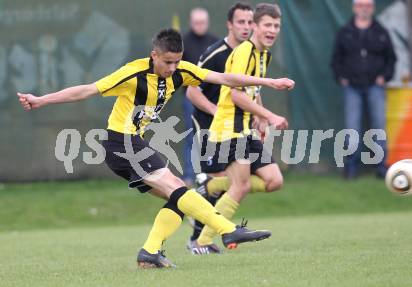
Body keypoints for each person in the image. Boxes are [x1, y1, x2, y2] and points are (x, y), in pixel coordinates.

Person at [17, 28, 294, 268]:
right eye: (167, 62)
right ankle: (228, 230)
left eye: (176, 62)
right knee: (178, 187)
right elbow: (85, 90)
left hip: (134, 144)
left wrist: (268, 81)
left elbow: (224, 78)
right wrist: (41, 100)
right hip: (121, 143)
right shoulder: (132, 72)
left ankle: (149, 252)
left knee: (179, 199)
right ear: (154, 55)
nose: (172, 68)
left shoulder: (182, 71)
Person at [188, 3, 291, 252]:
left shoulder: (263, 54)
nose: (272, 30)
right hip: (229, 128)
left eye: (276, 26)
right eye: (267, 24)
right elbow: (234, 95)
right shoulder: (244, 52)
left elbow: (252, 92)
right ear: (255, 26)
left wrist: (261, 118)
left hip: (244, 127)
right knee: (242, 185)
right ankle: (202, 242)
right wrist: (270, 115)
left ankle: (211, 187)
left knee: (274, 180)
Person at [186, 2, 255, 254]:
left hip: (235, 127)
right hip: (208, 125)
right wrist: (217, 112)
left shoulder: (252, 53)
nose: (246, 27)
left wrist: (259, 113)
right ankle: (196, 240)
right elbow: (192, 92)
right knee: (220, 180)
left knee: (233, 182)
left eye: (250, 22)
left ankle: (201, 231)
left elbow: (251, 89)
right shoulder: (216, 53)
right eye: (241, 22)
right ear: (230, 24)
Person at [331, 0, 396, 179]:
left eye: (367, 5)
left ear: (372, 8)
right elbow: (336, 59)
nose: (364, 9)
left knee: (378, 125)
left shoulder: (381, 32)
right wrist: (341, 77)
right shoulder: (345, 32)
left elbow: (391, 58)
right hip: (351, 86)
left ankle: (381, 167)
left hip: (375, 85)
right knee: (352, 127)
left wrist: (384, 76)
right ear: (354, 8)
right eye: (360, 5)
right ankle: (351, 167)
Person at [181, 8, 218, 184]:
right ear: (191, 22)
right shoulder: (183, 43)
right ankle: (189, 175)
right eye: (197, 22)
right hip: (191, 97)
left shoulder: (214, 43)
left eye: (203, 22)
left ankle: (211, 174)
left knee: (212, 136)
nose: (200, 25)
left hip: (213, 97)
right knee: (191, 136)